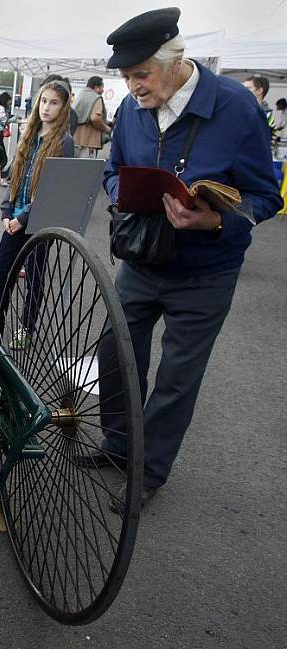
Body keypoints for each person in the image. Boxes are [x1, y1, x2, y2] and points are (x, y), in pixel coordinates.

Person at [93, 8, 281, 512]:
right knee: (114, 356)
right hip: (140, 258)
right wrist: (122, 193)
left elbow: (266, 196)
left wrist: (217, 221)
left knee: (177, 378)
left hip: (205, 271)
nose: (131, 87)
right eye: (125, 76)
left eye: (140, 74)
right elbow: (112, 171)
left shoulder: (237, 107)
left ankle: (147, 472)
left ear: (176, 62)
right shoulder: (133, 109)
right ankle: (117, 445)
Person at [0, 80, 75, 332]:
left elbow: (53, 190)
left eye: (53, 102)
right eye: (43, 101)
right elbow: (14, 176)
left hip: (39, 221)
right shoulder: (29, 134)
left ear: (63, 107)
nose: (46, 107)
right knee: (0, 273)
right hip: (14, 218)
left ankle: (27, 327)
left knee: (34, 277)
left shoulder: (64, 142)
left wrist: (22, 218)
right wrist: (5, 210)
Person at [73, 76, 112, 158]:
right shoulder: (96, 98)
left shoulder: (80, 96)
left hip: (76, 140)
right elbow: (95, 118)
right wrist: (106, 128)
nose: (103, 90)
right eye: (102, 88)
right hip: (89, 142)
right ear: (97, 88)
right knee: (88, 169)